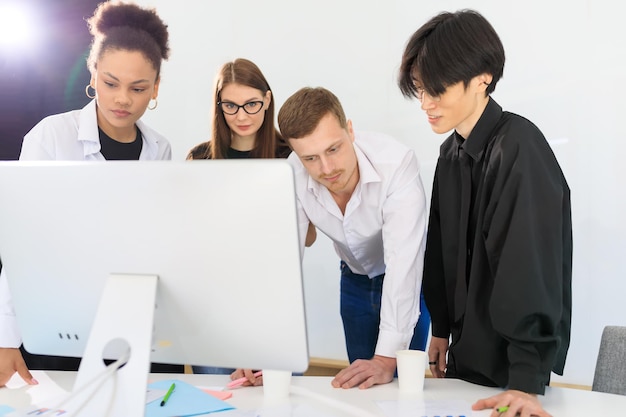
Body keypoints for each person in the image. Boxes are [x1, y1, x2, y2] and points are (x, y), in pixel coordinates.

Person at [398, 9, 572, 417]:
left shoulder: (520, 149)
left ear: (483, 78)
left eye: (436, 88)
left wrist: (526, 381)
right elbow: (442, 250)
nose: (425, 102)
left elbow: (530, 270)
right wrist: (440, 328)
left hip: (512, 373)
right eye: (420, 89)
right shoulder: (449, 153)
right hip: (464, 363)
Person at [0, 1, 175, 387]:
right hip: (61, 320)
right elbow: (22, 239)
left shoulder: (160, 150)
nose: (123, 99)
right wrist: (5, 337)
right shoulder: (51, 138)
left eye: (139, 88)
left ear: (156, 88)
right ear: (93, 74)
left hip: (132, 320)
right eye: (111, 83)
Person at [230, 86, 430, 389]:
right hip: (353, 280)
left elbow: (403, 264)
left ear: (349, 129)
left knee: (405, 388)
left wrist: (386, 360)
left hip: (410, 279)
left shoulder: (396, 163)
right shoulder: (292, 176)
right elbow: (281, 266)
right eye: (310, 158)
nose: (327, 169)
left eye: (333, 149)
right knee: (363, 389)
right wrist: (261, 348)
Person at [186, 58, 290, 160]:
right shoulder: (199, 159)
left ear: (267, 100)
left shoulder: (291, 156)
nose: (241, 117)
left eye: (251, 104)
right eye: (230, 106)